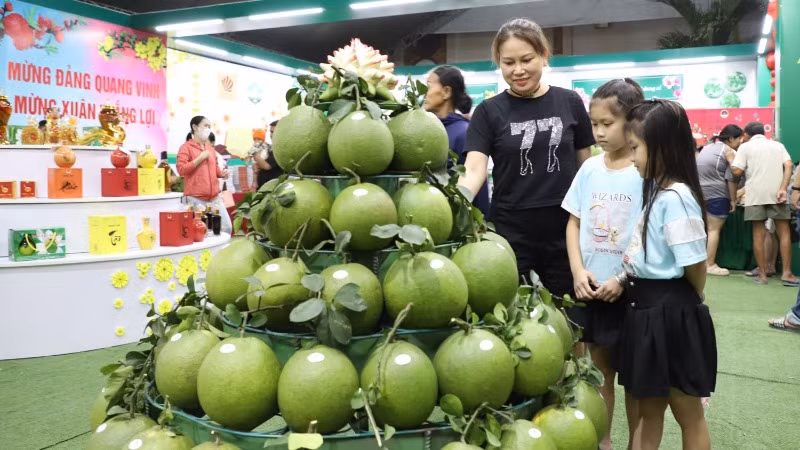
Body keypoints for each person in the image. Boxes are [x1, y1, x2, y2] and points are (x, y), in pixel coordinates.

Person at [458, 18, 594, 303]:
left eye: (526, 59)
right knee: (517, 314)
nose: (518, 70)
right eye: (508, 63)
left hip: (566, 228)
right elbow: (474, 169)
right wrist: (451, 204)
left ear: (544, 56)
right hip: (510, 230)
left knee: (572, 315)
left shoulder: (569, 102)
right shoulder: (488, 112)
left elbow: (585, 166)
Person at [618, 99, 716, 450]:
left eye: (636, 148)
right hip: (646, 309)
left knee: (687, 411)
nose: (632, 158)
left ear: (663, 146)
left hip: (672, 313)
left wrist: (685, 307)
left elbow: (695, 266)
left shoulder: (677, 197)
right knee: (649, 410)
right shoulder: (659, 192)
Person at [561, 78, 644, 450]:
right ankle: (604, 441)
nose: (598, 132)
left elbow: (650, 237)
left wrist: (624, 278)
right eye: (594, 124)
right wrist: (579, 271)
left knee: (636, 381)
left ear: (633, 121)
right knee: (599, 374)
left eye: (607, 124)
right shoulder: (590, 168)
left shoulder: (645, 172)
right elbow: (573, 221)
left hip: (632, 294)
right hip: (592, 291)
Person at [731, 122, 799, 286]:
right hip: (777, 194)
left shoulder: (745, 147)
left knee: (758, 234)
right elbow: (789, 165)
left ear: (746, 134)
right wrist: (783, 187)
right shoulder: (777, 145)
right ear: (763, 132)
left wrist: (732, 160)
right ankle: (787, 273)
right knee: (784, 233)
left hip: (755, 195)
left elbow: (737, 171)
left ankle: (762, 275)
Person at [424, 65, 490, 216]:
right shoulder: (426, 130)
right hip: (427, 214)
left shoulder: (464, 132)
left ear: (446, 92)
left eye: (428, 86)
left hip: (453, 220)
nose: (424, 93)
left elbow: (478, 183)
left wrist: (481, 224)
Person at [696, 124, 743, 276]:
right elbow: (732, 178)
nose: (740, 143)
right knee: (713, 229)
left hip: (700, 193)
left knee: (704, 230)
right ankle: (709, 264)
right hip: (717, 194)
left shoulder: (708, 148)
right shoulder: (729, 152)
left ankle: (700, 263)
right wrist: (733, 200)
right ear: (731, 138)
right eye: (739, 139)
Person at [177, 116, 232, 234]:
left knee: (226, 228)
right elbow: (181, 170)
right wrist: (199, 158)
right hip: (195, 199)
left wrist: (222, 174)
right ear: (195, 127)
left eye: (209, 126)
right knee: (202, 233)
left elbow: (216, 169)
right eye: (205, 125)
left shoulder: (210, 149)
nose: (208, 129)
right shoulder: (186, 147)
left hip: (214, 199)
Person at [254, 120, 282, 189]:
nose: (271, 135)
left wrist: (256, 154)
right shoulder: (270, 147)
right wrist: (255, 166)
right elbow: (262, 163)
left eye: (273, 132)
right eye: (270, 132)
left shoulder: (280, 149)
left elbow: (266, 166)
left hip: (272, 189)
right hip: (263, 187)